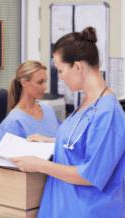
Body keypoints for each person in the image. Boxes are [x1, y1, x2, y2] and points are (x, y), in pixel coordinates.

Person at [9, 27, 125, 217]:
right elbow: (83, 144)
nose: (60, 77)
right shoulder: (87, 103)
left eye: (61, 70)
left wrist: (38, 164)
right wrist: (53, 141)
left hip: (87, 211)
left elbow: (89, 174)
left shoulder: (108, 113)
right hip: (62, 206)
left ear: (78, 67)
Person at [0, 60, 60, 147]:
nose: (45, 87)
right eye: (40, 82)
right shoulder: (13, 121)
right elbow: (5, 158)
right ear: (24, 83)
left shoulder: (49, 111)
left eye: (45, 81)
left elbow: (64, 140)